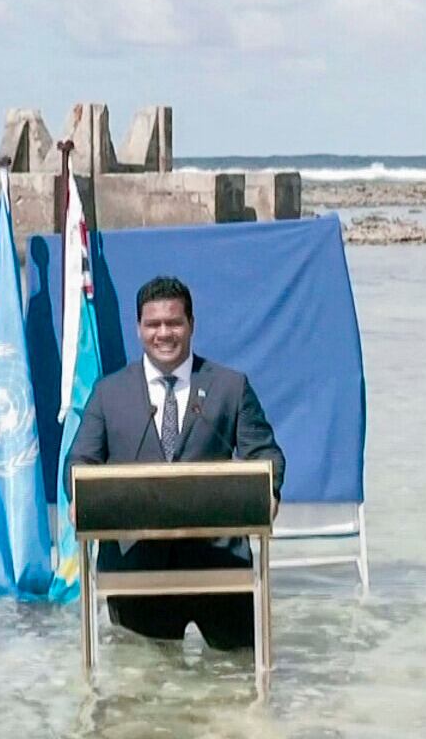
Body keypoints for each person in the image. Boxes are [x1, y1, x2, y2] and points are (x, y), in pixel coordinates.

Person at [68, 275, 285, 650]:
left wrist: (271, 492)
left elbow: (265, 454)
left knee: (233, 672)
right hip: (136, 569)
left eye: (174, 323)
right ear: (138, 328)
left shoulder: (230, 387)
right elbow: (80, 461)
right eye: (153, 324)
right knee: (151, 677)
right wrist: (78, 497)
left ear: (191, 325)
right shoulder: (108, 393)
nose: (164, 333)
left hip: (219, 565)